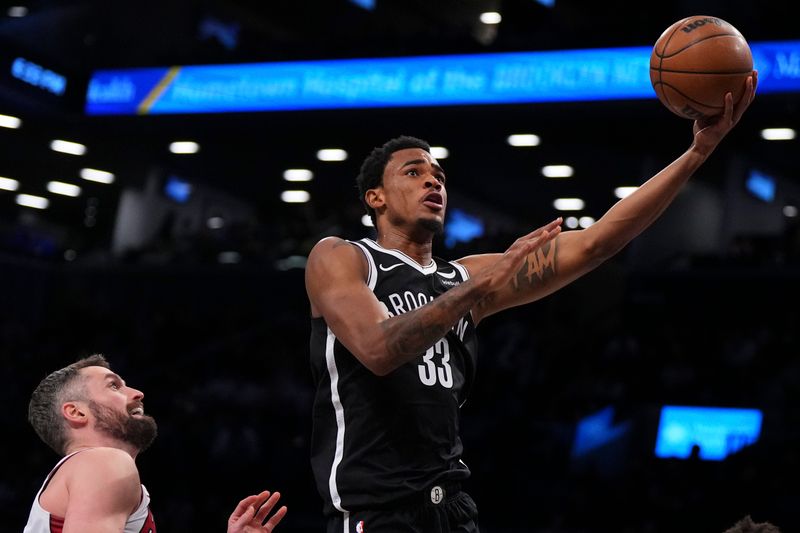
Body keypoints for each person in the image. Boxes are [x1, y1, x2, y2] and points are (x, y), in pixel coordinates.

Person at [304, 70, 758, 533]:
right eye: (414, 172)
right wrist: (475, 291)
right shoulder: (343, 257)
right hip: (376, 513)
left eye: (439, 174)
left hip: (452, 507)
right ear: (374, 197)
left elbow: (596, 242)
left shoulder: (461, 275)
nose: (433, 182)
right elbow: (378, 351)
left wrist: (697, 153)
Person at [24, 353, 288, 532]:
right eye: (114, 386)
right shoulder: (104, 462)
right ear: (77, 412)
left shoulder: (87, 471)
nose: (137, 393)